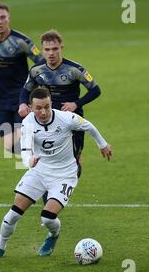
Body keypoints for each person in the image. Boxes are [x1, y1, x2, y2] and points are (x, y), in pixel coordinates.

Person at [0, 87, 111, 258]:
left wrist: (102, 145)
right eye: (38, 108)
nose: (43, 112)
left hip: (64, 175)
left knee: (48, 218)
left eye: (47, 106)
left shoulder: (66, 118)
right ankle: (0, 248)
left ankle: (53, 235)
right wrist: (29, 161)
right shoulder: (28, 122)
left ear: (51, 104)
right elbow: (26, 149)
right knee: (13, 214)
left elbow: (88, 126)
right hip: (39, 171)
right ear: (30, 107)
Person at [18, 29, 101, 177]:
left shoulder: (75, 69)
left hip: (71, 120)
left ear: (61, 48)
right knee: (44, 161)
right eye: (47, 49)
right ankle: (48, 196)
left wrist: (76, 103)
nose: (51, 53)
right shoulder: (36, 70)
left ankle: (62, 190)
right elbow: (25, 90)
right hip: (46, 118)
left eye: (55, 49)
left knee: (73, 162)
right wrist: (22, 103)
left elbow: (95, 90)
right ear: (42, 50)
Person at [0, 3, 44, 153]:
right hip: (2, 99)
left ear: (9, 18)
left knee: (24, 144)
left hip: (21, 98)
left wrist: (33, 90)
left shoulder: (22, 41)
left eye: (3, 17)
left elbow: (41, 64)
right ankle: (44, 155)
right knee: (10, 146)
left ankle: (44, 165)